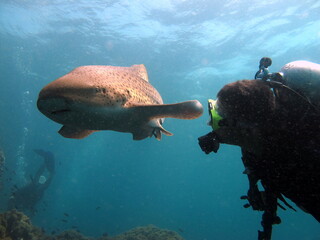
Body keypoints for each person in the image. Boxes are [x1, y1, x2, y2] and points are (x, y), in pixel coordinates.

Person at [198, 58, 320, 240]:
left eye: (218, 118)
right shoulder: (263, 141)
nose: (211, 125)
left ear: (246, 128)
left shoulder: (305, 162)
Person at [7, 149, 55, 214]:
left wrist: (46, 164)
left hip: (24, 203)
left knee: (39, 187)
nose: (39, 184)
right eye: (39, 183)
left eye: (40, 183)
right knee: (36, 185)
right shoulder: (34, 186)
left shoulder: (39, 190)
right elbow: (38, 176)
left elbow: (40, 177)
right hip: (21, 200)